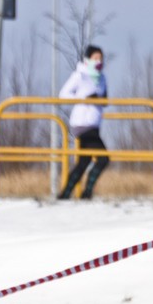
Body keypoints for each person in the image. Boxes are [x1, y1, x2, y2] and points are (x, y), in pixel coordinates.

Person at [57, 45, 109, 200]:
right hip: (82, 124)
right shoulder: (80, 75)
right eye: (95, 58)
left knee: (84, 162)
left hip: (95, 123)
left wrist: (100, 100)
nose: (99, 61)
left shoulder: (102, 78)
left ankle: (65, 194)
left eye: (100, 58)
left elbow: (105, 99)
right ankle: (87, 193)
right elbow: (63, 95)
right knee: (103, 159)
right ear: (88, 59)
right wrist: (84, 99)